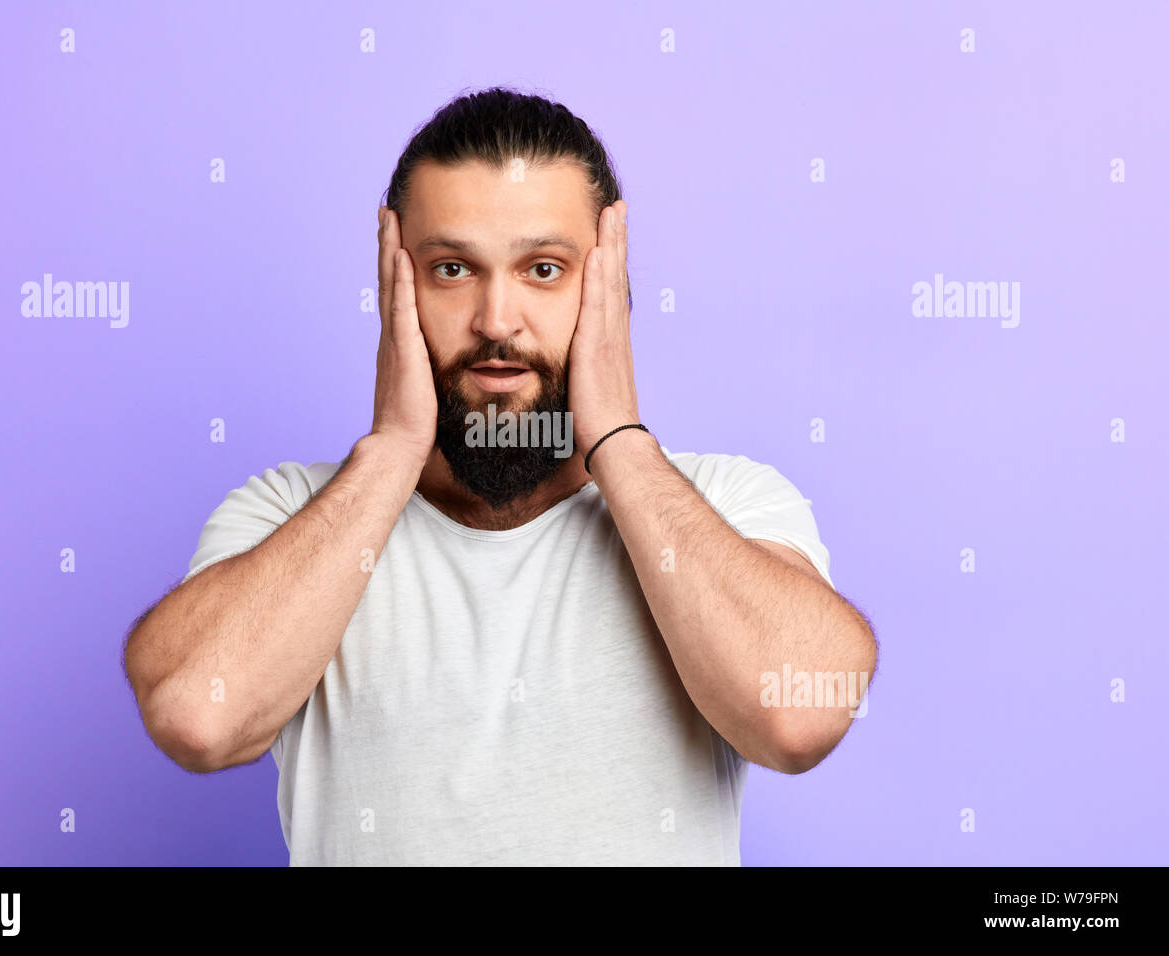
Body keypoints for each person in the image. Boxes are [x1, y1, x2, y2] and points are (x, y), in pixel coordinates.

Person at [125, 87, 877, 866]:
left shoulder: (723, 505)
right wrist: (391, 450)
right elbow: (195, 719)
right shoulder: (291, 514)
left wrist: (618, 438)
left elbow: (797, 718)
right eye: (452, 269)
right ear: (395, 288)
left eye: (544, 269)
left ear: (610, 288)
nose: (495, 320)